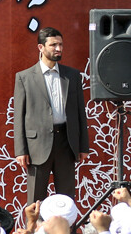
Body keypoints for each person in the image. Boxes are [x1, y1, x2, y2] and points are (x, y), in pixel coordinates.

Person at [13, 26, 89, 202]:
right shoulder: (25, 77)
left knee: (66, 199)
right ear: (41, 47)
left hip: (66, 143)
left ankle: (65, 222)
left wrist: (83, 146)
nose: (58, 48)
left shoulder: (72, 75)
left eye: (60, 44)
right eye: (53, 45)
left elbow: (80, 112)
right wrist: (21, 150)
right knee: (36, 200)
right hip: (37, 146)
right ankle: (34, 223)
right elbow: (19, 117)